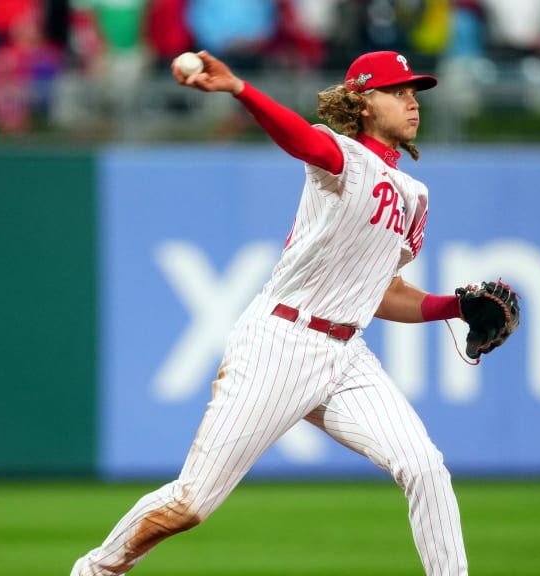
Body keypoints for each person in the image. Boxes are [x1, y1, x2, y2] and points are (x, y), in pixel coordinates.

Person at [71, 49, 474, 576]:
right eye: (396, 91)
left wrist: (456, 306)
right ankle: (95, 570)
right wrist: (240, 89)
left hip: (347, 355)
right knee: (192, 502)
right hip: (281, 342)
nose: (411, 101)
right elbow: (299, 139)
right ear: (364, 103)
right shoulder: (343, 158)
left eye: (413, 91)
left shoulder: (415, 195)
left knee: (424, 467)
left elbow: (381, 291)